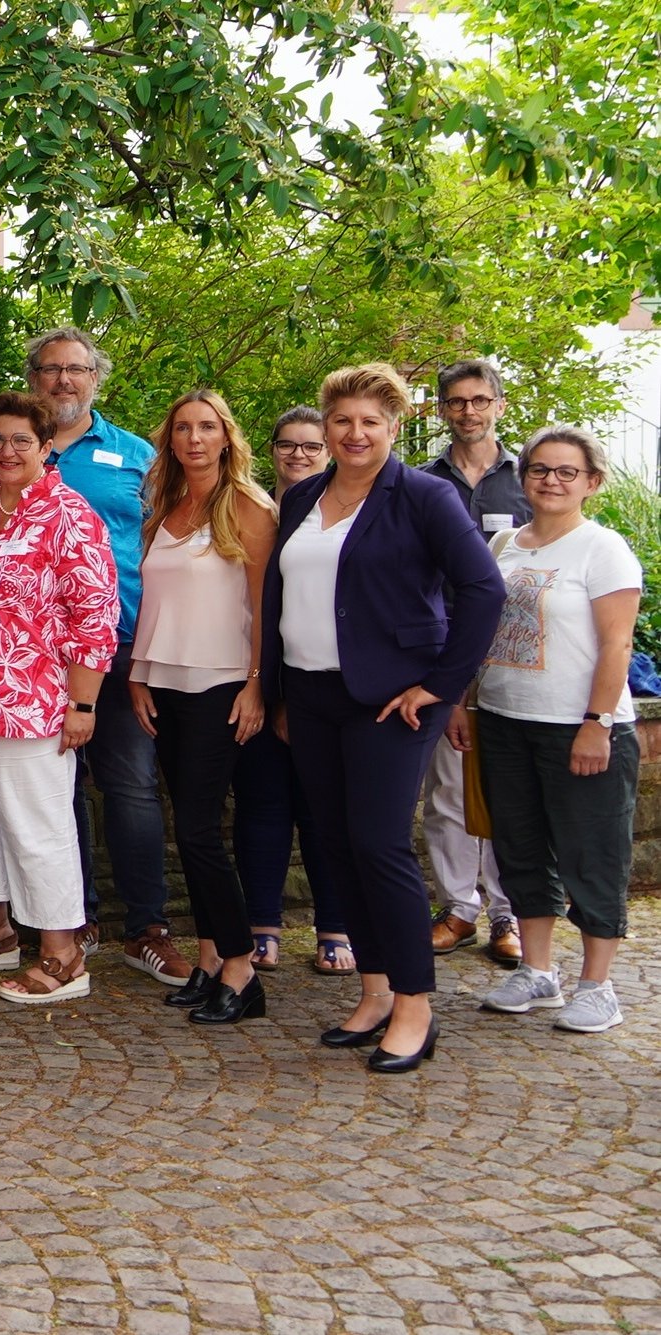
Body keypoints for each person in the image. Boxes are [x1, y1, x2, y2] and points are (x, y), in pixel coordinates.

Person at [261, 363, 504, 1074]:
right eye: (342, 421)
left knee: (378, 844)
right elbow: (285, 594)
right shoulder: (303, 494)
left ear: (393, 428)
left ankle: (415, 1006)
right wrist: (275, 689)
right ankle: (372, 992)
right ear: (326, 427)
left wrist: (441, 684)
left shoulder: (423, 496)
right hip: (309, 695)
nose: (355, 433)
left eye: (371, 421)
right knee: (333, 844)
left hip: (390, 698)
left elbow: (483, 589)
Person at [0, 328, 180, 984]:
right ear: (32, 378)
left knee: (130, 785)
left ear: (97, 378)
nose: (64, 381)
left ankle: (146, 926)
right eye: (51, 370)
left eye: (77, 370)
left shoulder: (139, 455)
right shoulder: (0, 458)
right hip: (28, 664)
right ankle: (74, 919)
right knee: (51, 792)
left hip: (117, 649)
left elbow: (169, 548)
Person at [0, 392, 119, 1003]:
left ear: (45, 447)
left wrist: (82, 705)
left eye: (21, 441)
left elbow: (96, 615)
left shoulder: (70, 515)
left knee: (37, 825)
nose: (7, 451)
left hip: (30, 698)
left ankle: (63, 952)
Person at [465, 427, 643, 1033]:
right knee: (519, 848)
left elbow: (618, 643)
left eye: (567, 471)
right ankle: (538, 971)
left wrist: (596, 723)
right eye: (540, 469)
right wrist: (469, 706)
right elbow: (482, 631)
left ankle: (598, 985)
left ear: (592, 482)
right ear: (523, 478)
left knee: (593, 854)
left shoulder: (603, 548)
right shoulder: (503, 544)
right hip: (506, 720)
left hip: (580, 727)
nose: (551, 480)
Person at [126, 390, 277, 1024]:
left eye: (206, 427)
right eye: (183, 428)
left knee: (197, 830)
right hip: (164, 685)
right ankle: (212, 960)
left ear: (225, 437)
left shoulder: (247, 506)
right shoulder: (163, 509)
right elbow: (152, 601)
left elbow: (266, 603)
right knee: (187, 833)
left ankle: (242, 969)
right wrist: (138, 674)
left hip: (223, 685)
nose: (194, 438)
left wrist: (257, 683)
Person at [419, 358, 530, 965]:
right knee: (449, 790)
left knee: (509, 789)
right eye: (457, 402)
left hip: (515, 651)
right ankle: (458, 908)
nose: (469, 411)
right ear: (442, 410)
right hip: (443, 650)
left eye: (479, 400)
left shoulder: (527, 478)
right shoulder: (422, 481)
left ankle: (507, 914)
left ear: (498, 406)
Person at [257, 408, 356, 975]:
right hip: (262, 677)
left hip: (328, 681)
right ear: (271, 449)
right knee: (265, 806)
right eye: (287, 444)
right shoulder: (255, 507)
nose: (298, 454)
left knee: (326, 810)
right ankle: (263, 925)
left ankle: (335, 925)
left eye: (311, 446)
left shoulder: (339, 513)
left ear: (328, 452)